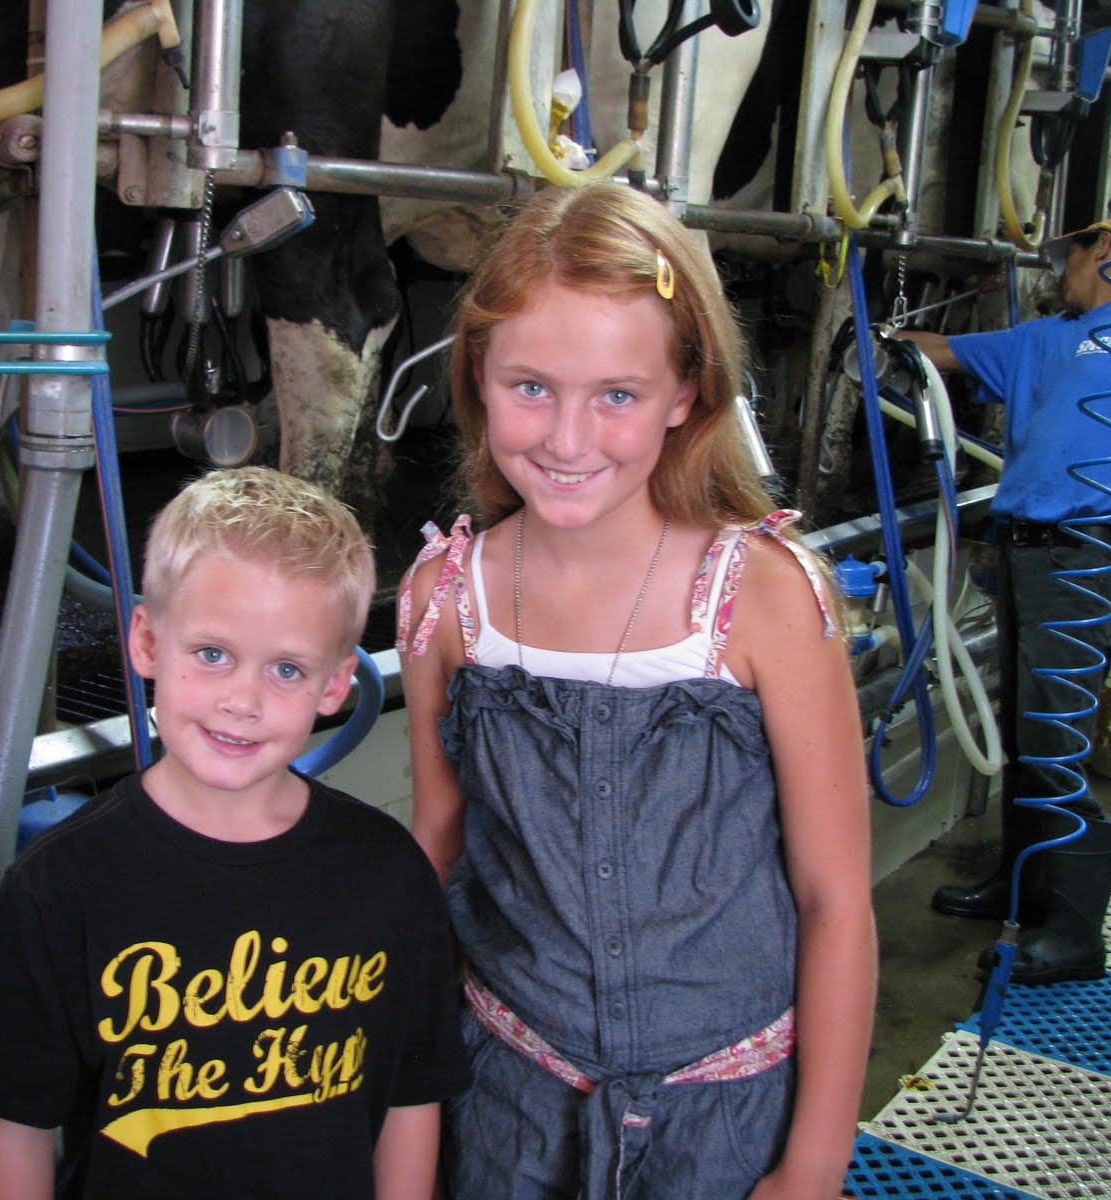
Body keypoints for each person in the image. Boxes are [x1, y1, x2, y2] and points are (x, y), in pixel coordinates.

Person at [397, 183, 876, 1200]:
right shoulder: (447, 597)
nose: (567, 440)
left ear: (685, 394)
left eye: (615, 394)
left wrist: (815, 1165)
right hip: (508, 1105)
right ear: (477, 375)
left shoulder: (763, 600)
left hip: (726, 1114)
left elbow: (834, 898)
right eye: (530, 386)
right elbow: (432, 847)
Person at [0, 466, 469, 1200]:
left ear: (338, 684)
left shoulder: (387, 874)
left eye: (286, 669)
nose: (241, 701)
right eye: (212, 654)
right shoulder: (60, 885)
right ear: (148, 642)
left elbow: (413, 1096)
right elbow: (15, 1132)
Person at [893, 214, 1111, 985]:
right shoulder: (1043, 339)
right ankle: (1020, 883)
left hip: (1085, 551)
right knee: (1023, 727)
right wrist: (881, 329)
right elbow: (941, 354)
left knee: (1058, 736)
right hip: (1022, 550)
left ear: (1102, 249)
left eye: (1066, 256)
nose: (1057, 274)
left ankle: (1073, 935)